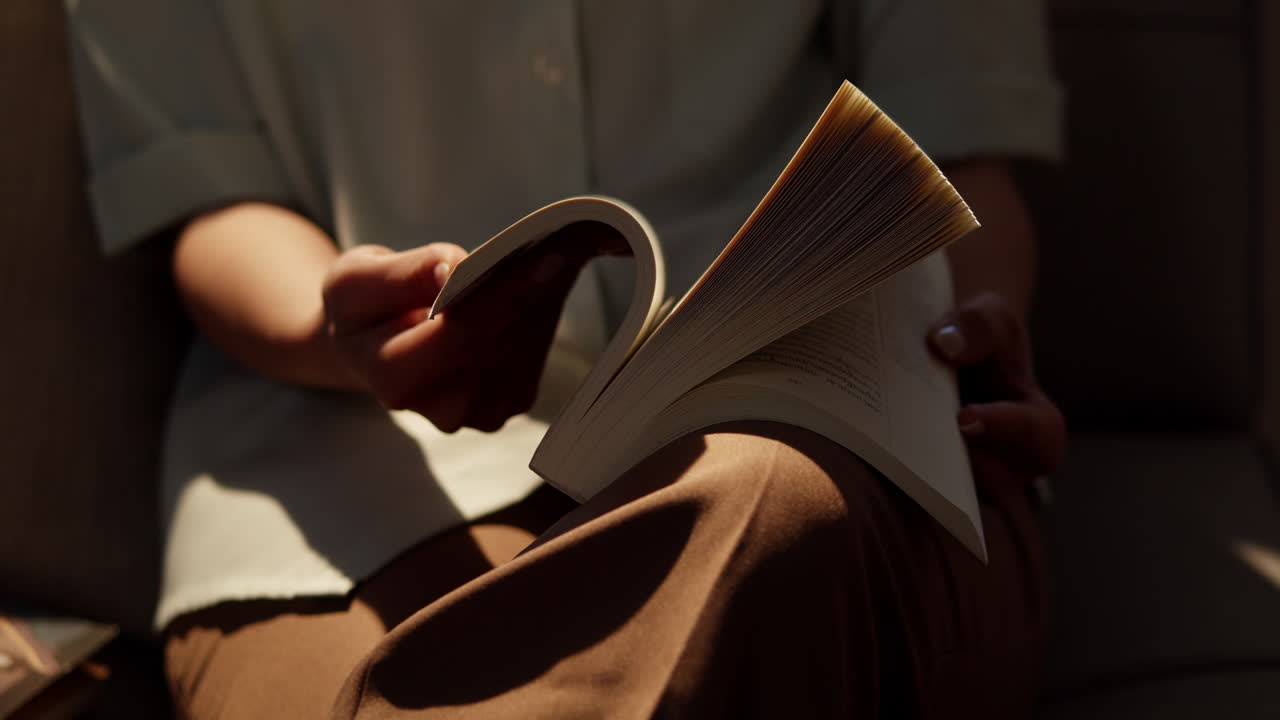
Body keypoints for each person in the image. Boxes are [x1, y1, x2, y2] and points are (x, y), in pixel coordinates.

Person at [66, 1, 1066, 717]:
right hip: (348, 497)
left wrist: (953, 352)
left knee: (775, 512)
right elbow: (206, 190)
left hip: (817, 439)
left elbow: (953, 154)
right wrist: (354, 332)